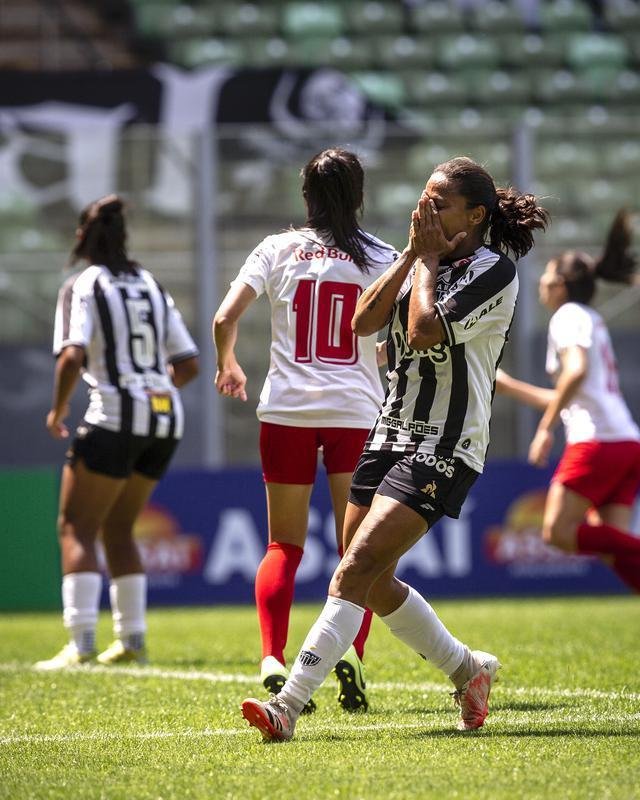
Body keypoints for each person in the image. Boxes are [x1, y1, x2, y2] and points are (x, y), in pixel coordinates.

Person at [240, 156, 549, 741]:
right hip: (387, 433)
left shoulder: (494, 271)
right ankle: (468, 670)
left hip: (445, 443)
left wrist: (424, 262)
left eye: (439, 204)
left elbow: (426, 330)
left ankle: (287, 706)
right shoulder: (415, 262)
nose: (423, 210)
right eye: (423, 199)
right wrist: (411, 255)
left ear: (475, 216)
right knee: (375, 582)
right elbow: (361, 323)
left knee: (353, 569)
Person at [213, 148, 398, 712]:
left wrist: (229, 363)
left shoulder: (277, 248)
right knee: (357, 551)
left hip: (286, 413)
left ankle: (272, 657)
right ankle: (352, 655)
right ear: (359, 196)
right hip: (354, 414)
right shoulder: (385, 256)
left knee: (282, 545)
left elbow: (224, 317)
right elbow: (405, 334)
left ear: (306, 196)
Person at [35, 195, 199, 670]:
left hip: (113, 415)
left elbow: (71, 356)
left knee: (76, 526)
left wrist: (58, 409)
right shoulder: (150, 283)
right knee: (119, 527)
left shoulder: (82, 284)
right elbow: (188, 364)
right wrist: (151, 390)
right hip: (165, 418)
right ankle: (132, 641)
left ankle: (82, 643)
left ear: (82, 236)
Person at [496, 209, 640, 592]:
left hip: (597, 443)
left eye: (547, 273)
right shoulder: (588, 316)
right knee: (614, 550)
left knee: (557, 533)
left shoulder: (567, 316)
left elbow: (575, 373)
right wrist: (510, 387)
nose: (541, 281)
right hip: (625, 442)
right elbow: (570, 396)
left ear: (561, 285)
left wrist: (545, 431)